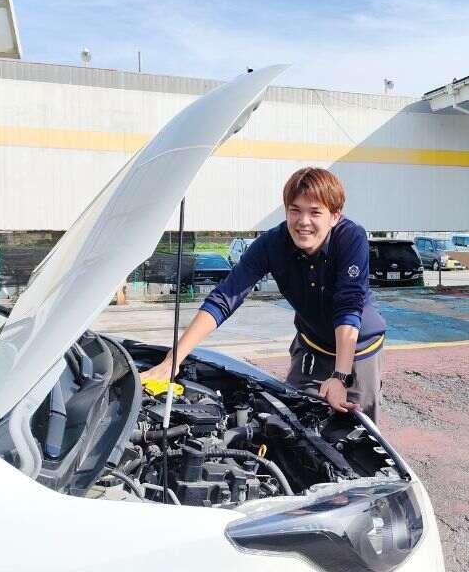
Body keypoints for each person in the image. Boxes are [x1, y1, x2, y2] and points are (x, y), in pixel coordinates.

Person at [142, 167, 386, 422]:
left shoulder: (350, 237)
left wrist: (340, 376)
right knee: (291, 422)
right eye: (295, 210)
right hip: (312, 347)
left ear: (334, 216)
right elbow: (225, 297)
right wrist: (173, 359)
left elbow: (348, 306)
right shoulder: (272, 244)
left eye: (315, 212)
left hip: (359, 351)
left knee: (358, 436)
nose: (303, 221)